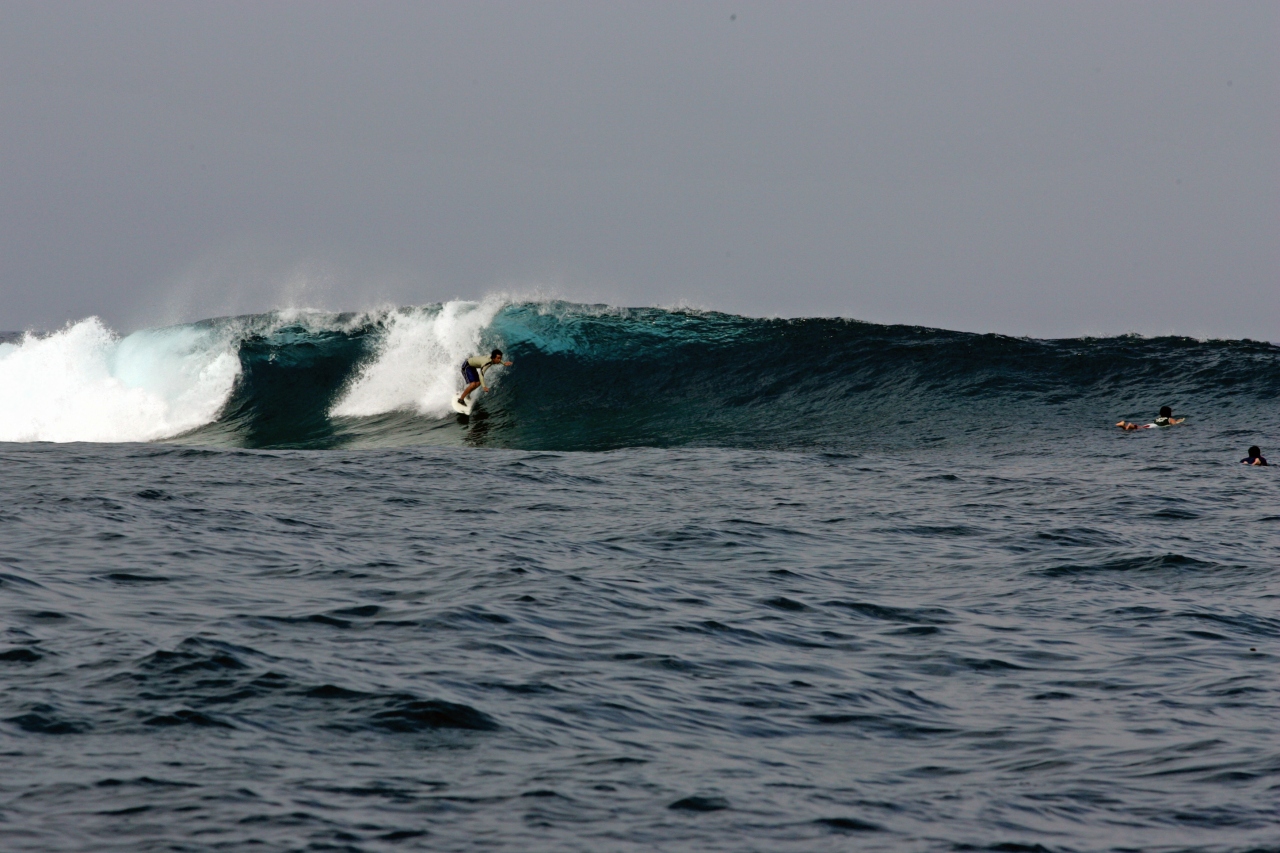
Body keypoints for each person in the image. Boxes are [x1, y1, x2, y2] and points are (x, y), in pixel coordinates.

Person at [1116, 406, 1185, 430]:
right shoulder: (1170, 419)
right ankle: (1130, 425)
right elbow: (1175, 424)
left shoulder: (1158, 419)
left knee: (1139, 428)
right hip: (1154, 426)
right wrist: (1180, 422)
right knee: (1139, 429)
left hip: (1151, 424)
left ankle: (1124, 426)